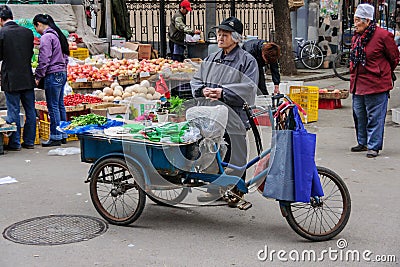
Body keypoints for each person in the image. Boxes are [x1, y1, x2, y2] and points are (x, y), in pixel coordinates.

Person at [191, 17, 259, 202]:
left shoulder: (247, 61)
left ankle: (237, 190)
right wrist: (201, 89)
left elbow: (249, 88)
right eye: (219, 34)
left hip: (235, 115)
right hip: (212, 116)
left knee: (236, 154)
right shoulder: (211, 58)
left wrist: (223, 93)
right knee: (214, 152)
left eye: (225, 34)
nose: (220, 37)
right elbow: (196, 79)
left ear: (236, 38)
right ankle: (215, 188)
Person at [349, 4, 399, 158]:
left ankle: (374, 146)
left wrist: (382, 71)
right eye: (354, 19)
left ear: (367, 21)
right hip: (358, 82)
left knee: (375, 116)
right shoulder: (356, 37)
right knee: (359, 114)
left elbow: (394, 58)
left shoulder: (383, 36)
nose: (355, 23)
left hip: (376, 83)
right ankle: (362, 142)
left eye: (358, 20)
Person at [0, 5, 36, 151]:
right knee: (30, 110)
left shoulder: (2, 33)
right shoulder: (27, 32)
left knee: (13, 110)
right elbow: (29, 53)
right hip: (27, 77)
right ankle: (29, 141)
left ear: (0, 19)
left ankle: (15, 143)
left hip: (11, 78)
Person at [33, 14, 69, 147]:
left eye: (35, 27)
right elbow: (65, 57)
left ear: (39, 24)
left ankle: (55, 136)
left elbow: (44, 58)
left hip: (53, 74)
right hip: (62, 72)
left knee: (53, 106)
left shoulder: (47, 37)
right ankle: (63, 134)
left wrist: (38, 76)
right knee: (60, 105)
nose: (36, 30)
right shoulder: (58, 35)